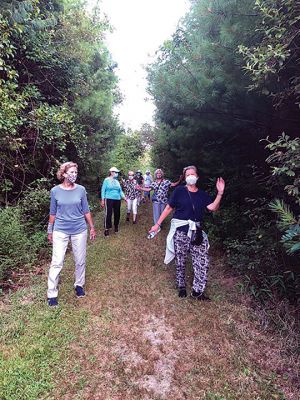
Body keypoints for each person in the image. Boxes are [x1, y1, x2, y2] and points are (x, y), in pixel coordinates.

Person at [148, 165, 225, 300]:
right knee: (180, 260)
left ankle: (197, 291)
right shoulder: (178, 191)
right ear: (184, 178)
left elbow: (213, 207)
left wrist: (220, 193)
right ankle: (181, 285)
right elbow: (168, 208)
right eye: (187, 175)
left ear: (197, 177)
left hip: (197, 232)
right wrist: (157, 224)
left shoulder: (202, 194)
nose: (190, 176)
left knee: (202, 261)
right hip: (181, 231)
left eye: (192, 174)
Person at [47, 161, 96, 307]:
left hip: (79, 229)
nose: (74, 175)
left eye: (76, 172)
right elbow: (52, 212)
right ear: (63, 174)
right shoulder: (55, 191)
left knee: (80, 260)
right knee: (57, 262)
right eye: (71, 172)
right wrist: (50, 230)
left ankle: (79, 285)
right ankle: (52, 293)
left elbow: (86, 210)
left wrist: (92, 227)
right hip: (60, 230)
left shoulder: (81, 189)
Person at [100, 167, 126, 236]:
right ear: (111, 172)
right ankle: (106, 229)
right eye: (115, 172)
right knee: (108, 214)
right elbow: (103, 190)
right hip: (108, 198)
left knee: (117, 213)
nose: (117, 173)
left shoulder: (117, 181)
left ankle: (116, 226)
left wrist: (124, 197)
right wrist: (102, 199)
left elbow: (120, 191)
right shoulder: (106, 180)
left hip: (117, 199)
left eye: (117, 172)